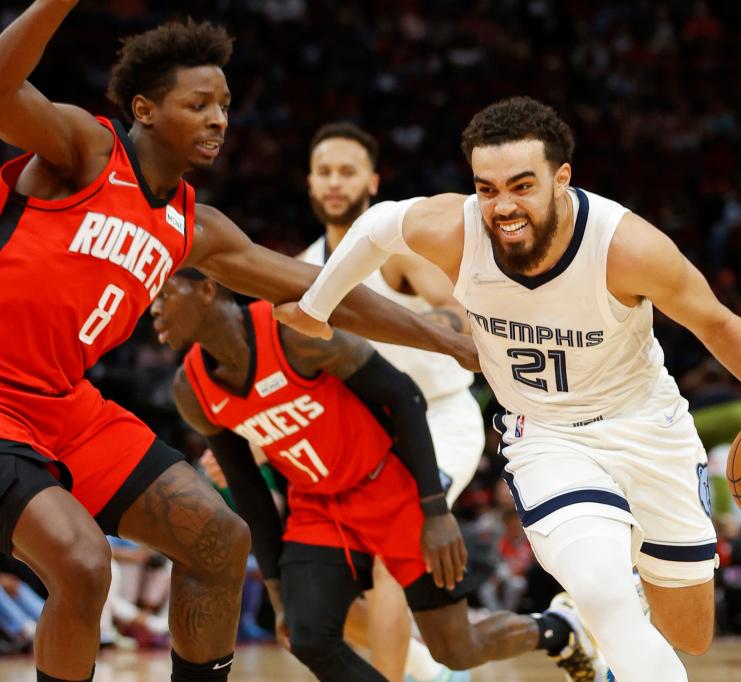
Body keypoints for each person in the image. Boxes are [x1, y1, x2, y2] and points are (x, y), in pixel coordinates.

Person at [280, 96, 741, 681]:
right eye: (486, 188)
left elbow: (716, 323)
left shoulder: (625, 247)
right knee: (603, 588)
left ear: (562, 178)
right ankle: (599, 615)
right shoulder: (455, 232)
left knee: (689, 632)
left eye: (521, 185)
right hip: (547, 437)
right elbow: (380, 225)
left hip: (646, 426)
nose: (503, 206)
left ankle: (597, 631)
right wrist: (315, 306)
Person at [0, 5, 475, 681]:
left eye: (224, 104)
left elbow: (322, 286)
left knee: (221, 542)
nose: (219, 119)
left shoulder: (198, 228)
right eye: (199, 104)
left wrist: (447, 339)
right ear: (145, 108)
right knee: (81, 563)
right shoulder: (87, 149)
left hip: (64, 406)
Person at [152, 270, 603, 681]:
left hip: (387, 485)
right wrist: (275, 590)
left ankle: (558, 630)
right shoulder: (190, 389)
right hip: (317, 504)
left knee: (458, 648)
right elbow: (249, 491)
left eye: (165, 294)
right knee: (308, 634)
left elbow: (404, 396)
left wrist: (434, 510)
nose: (153, 308)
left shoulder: (293, 334)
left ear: (208, 288)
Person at [301, 122, 484, 682]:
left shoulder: (393, 248)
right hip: (368, 443)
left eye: (347, 170)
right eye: (325, 171)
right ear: (309, 182)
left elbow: (457, 314)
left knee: (386, 564)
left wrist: (417, 329)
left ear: (372, 181)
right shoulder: (306, 265)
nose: (335, 182)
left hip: (440, 418)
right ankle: (434, 668)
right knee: (311, 606)